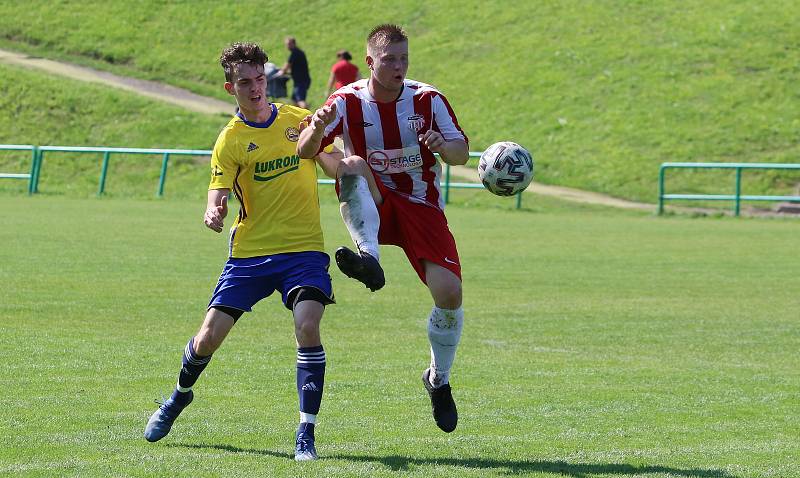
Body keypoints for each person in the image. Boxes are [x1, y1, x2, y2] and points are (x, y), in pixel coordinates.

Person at [144, 41, 340, 462]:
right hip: (250, 254)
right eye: (245, 82)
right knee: (207, 339)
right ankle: (178, 397)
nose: (256, 88)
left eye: (260, 79)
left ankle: (306, 433)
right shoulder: (230, 140)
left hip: (303, 250)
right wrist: (213, 210)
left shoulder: (297, 120)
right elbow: (216, 192)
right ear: (230, 87)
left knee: (308, 326)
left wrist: (360, 173)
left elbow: (335, 165)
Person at [297, 24, 469, 434]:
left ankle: (437, 380)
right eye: (389, 59)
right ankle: (368, 258)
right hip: (373, 199)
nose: (398, 66)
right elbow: (305, 149)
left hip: (421, 205)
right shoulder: (346, 100)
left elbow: (461, 152)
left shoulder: (428, 99)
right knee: (352, 164)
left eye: (403, 58)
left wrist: (442, 147)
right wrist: (318, 128)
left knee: (450, 295)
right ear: (370, 62)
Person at [278, 36, 311, 109]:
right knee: (294, 101)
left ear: (294, 43)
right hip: (300, 81)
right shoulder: (298, 52)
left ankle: (308, 114)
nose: (287, 46)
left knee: (300, 100)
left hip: (301, 81)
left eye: (289, 44)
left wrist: (282, 72)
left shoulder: (295, 53)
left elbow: (287, 65)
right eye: (287, 44)